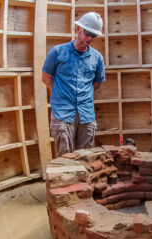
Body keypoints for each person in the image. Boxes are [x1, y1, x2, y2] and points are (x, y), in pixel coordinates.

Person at [42, 12, 105, 157]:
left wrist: (82, 94)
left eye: (94, 35)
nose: (90, 38)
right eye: (87, 33)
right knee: (65, 160)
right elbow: (46, 78)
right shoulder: (57, 52)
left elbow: (96, 84)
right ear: (78, 29)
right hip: (62, 114)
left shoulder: (97, 58)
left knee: (86, 158)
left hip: (86, 114)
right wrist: (61, 93)